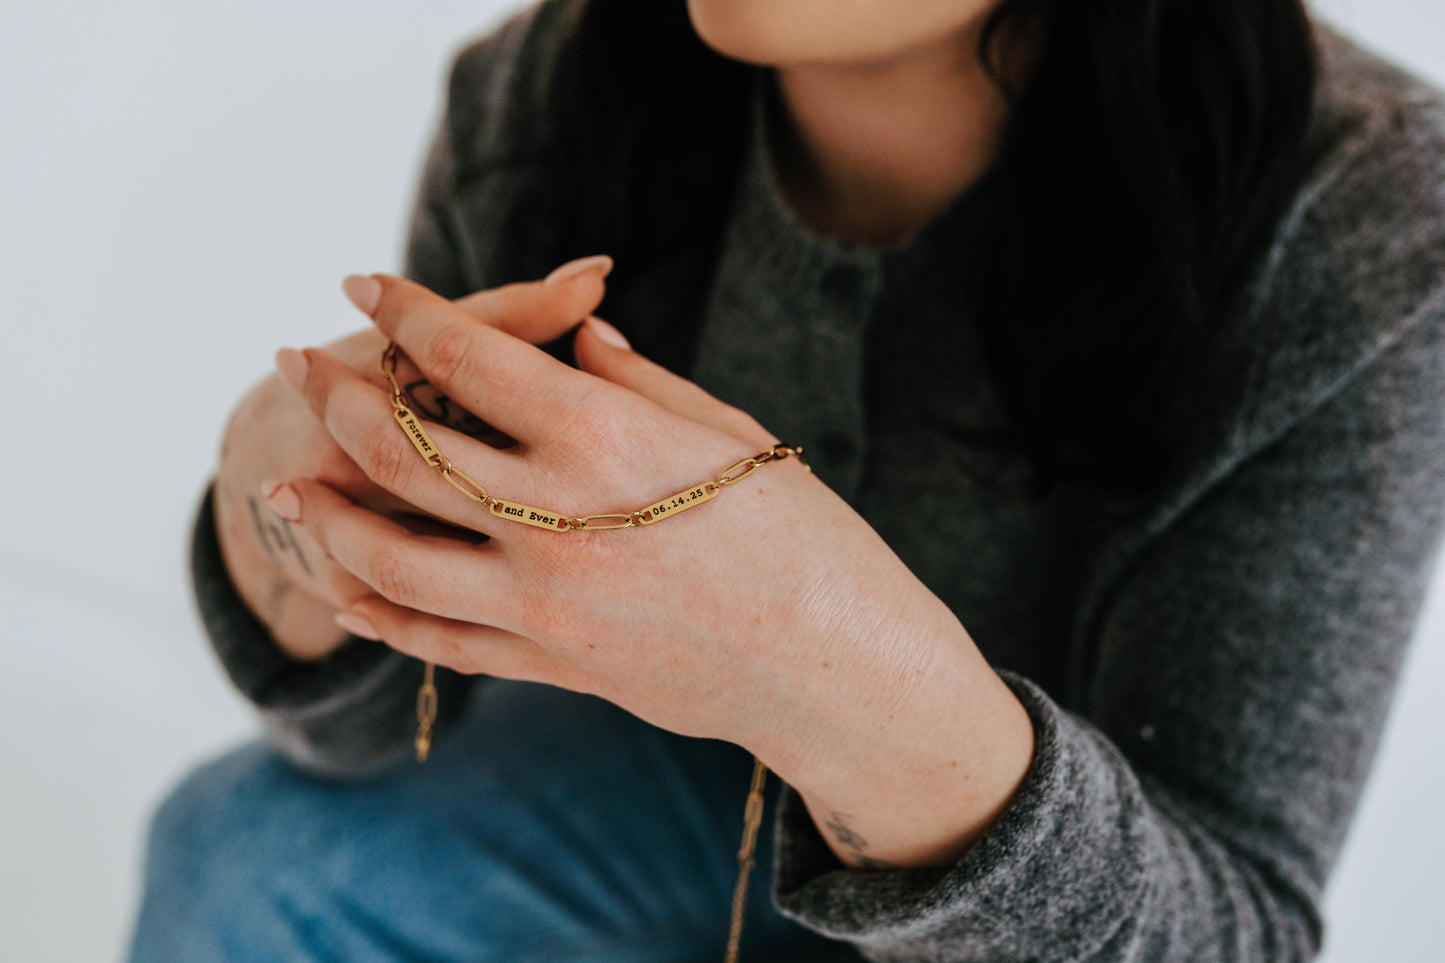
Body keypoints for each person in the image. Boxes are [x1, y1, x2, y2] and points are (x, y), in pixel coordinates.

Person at [130, 0, 1445, 960]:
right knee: (250, 852)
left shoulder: (1364, 224)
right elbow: (375, 738)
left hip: (1059, 904)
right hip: (650, 802)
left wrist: (838, 677)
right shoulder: (554, 85)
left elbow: (1226, 933)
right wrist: (285, 517)